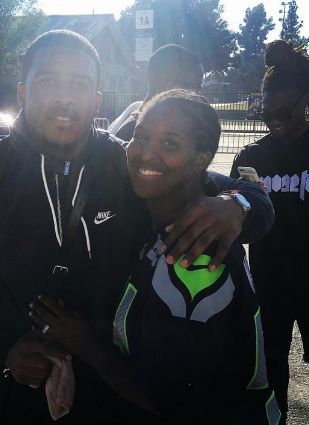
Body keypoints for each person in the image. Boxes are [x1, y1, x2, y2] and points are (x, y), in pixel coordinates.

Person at [0, 30, 270, 424]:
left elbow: (237, 192)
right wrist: (6, 345)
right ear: (22, 92)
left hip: (119, 385)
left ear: (96, 99)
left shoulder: (127, 164)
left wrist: (240, 207)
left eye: (79, 85)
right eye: (49, 81)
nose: (65, 98)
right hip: (26, 381)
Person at [32, 89, 280, 424]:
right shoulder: (159, 218)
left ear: (201, 160)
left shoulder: (196, 255)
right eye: (141, 136)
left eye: (170, 143)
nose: (147, 153)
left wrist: (84, 343)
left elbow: (172, 401)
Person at [230, 39, 309, 422]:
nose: (274, 121)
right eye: (266, 112)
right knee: (271, 373)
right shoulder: (251, 158)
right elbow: (234, 222)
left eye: (283, 112)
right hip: (269, 285)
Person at [107, 44, 203, 142]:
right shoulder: (139, 133)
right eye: (194, 89)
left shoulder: (135, 113)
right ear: (171, 85)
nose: (198, 97)